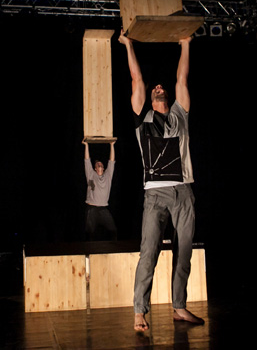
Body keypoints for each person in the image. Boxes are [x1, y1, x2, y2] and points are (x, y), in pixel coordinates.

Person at [118, 30, 203, 332]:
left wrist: (185, 45)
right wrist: (128, 45)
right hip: (154, 196)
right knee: (149, 252)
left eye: (160, 87)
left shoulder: (180, 114)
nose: (158, 87)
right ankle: (139, 311)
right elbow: (136, 79)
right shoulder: (143, 119)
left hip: (183, 192)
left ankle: (179, 307)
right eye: (155, 88)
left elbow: (182, 78)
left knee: (184, 252)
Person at [82, 140, 117, 241]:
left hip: (103, 209)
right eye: (97, 164)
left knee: (113, 230)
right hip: (92, 208)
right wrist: (86, 145)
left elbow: (111, 161)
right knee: (90, 233)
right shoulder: (91, 175)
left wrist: (112, 145)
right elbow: (87, 160)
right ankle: (88, 249)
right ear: (95, 168)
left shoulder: (108, 176)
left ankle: (113, 248)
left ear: (104, 168)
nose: (99, 164)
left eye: (101, 164)